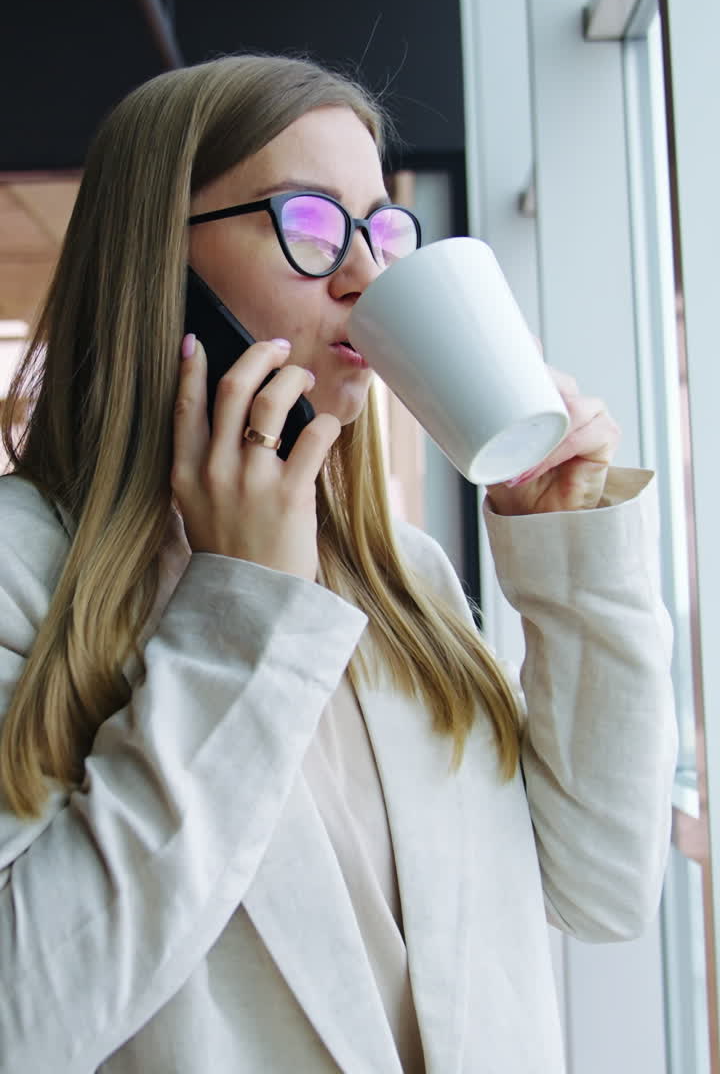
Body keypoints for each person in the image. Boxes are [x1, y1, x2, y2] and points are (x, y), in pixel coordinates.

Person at [0, 54, 676, 1074]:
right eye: (310, 227)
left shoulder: (405, 579)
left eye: (381, 229)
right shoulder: (23, 568)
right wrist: (242, 612)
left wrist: (570, 568)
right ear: (161, 266)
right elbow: (22, 1017)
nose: (366, 275)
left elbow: (605, 884)